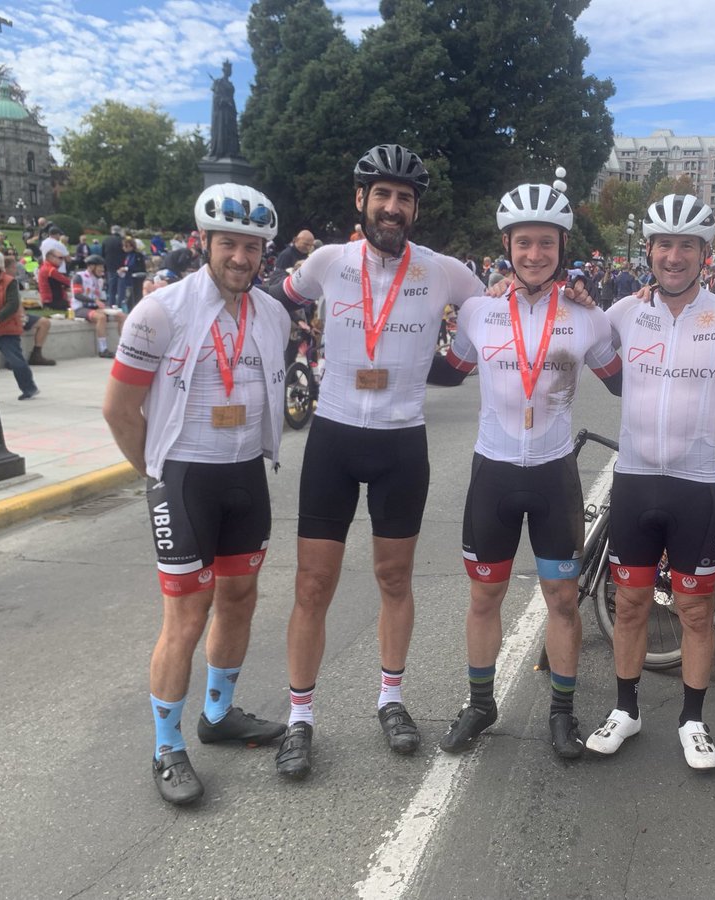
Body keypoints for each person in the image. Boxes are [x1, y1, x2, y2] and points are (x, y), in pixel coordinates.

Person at [266, 144, 488, 779]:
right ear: (360, 200)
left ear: (415, 209)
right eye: (382, 195)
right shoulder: (328, 262)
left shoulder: (444, 272)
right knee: (313, 585)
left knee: (394, 578)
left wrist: (454, 366)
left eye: (405, 198)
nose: (393, 207)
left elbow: (498, 313)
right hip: (333, 438)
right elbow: (270, 299)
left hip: (401, 443)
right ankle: (300, 717)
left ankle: (390, 699)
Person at [102, 183, 292, 806]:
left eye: (252, 247)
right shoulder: (160, 311)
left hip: (246, 476)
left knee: (239, 599)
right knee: (187, 617)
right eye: (229, 243)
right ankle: (166, 745)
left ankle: (218, 713)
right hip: (185, 478)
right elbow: (119, 409)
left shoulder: (273, 314)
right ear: (203, 242)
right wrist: (156, 474)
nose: (241, 257)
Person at [431, 184, 622, 759]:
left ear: (562, 247)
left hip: (552, 476)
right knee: (484, 596)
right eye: (523, 243)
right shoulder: (479, 311)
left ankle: (562, 712)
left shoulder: (587, 319)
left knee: (562, 599)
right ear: (507, 246)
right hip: (492, 474)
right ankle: (480, 704)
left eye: (545, 242)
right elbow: (449, 372)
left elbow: (623, 381)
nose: (534, 253)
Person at [585, 195, 715, 769]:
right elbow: (570, 337)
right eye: (664, 244)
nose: (674, 256)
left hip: (696, 486)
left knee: (694, 611)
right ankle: (626, 710)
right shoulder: (623, 312)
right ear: (648, 251)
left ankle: (693, 720)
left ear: (704, 253)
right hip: (636, 481)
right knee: (630, 605)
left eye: (686, 245)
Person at [0, 248, 41, 400]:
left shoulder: (9, 281)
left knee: (15, 360)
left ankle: (29, 388)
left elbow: (12, 304)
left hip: (6, 327)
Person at [2, 251, 56, 366]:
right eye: (13, 268)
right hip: (5, 316)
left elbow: (17, 302)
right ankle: (11, 359)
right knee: (15, 326)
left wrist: (22, 315)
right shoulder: (0, 283)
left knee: (44, 323)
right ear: (5, 269)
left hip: (18, 314)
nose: (16, 270)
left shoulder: (13, 282)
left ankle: (36, 355)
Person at [72, 254, 126, 358]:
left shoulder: (100, 280)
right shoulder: (79, 277)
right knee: (101, 318)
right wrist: (94, 301)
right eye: (100, 267)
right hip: (80, 308)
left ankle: (124, 347)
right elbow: (77, 295)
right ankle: (103, 349)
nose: (102, 270)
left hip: (95, 308)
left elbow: (102, 298)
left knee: (121, 316)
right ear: (91, 266)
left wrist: (107, 306)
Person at [101, 226, 126, 308]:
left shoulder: (106, 240)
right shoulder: (122, 240)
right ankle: (120, 305)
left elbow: (103, 255)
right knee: (121, 288)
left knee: (111, 288)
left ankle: (111, 304)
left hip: (110, 266)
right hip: (121, 267)